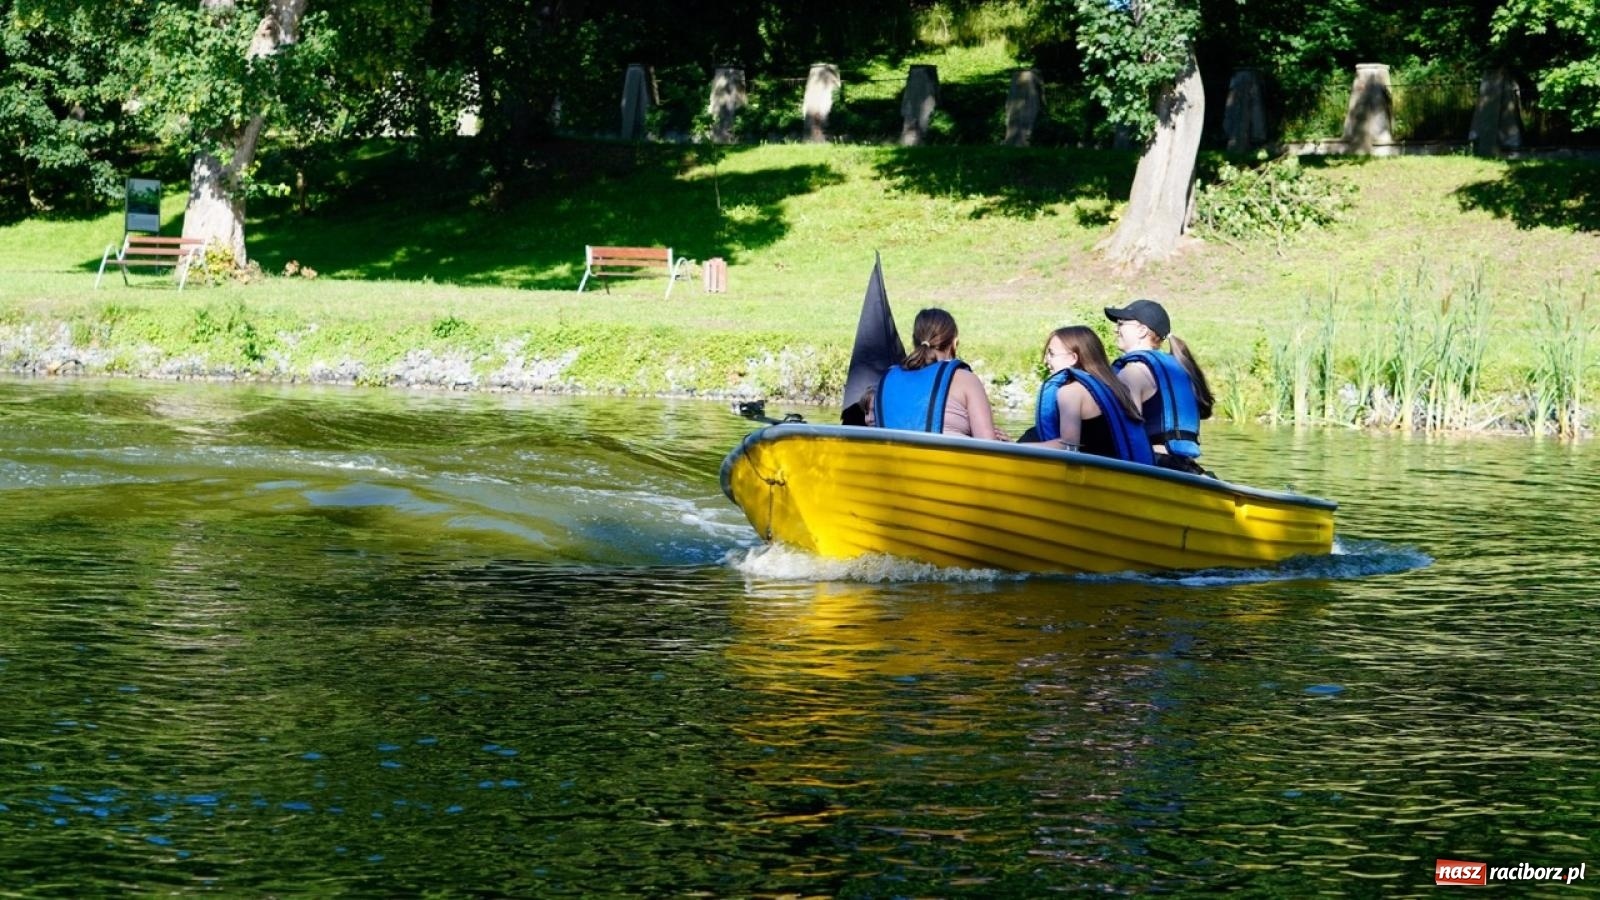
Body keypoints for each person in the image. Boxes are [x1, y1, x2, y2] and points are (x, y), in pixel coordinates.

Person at [1104, 299, 1214, 474]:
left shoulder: (1132, 373)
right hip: (1184, 466)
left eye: (1121, 324)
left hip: (1153, 466)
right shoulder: (1179, 367)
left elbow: (1127, 434)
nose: (1116, 329)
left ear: (1142, 331)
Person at [1025, 326, 1153, 464]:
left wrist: (1016, 448)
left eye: (1051, 353)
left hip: (1095, 476)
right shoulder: (1115, 386)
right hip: (1122, 472)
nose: (1046, 360)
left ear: (1073, 358)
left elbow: (1069, 446)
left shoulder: (1071, 392)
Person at [871, 308, 1003, 440]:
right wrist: (1002, 442)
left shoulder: (887, 378)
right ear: (954, 343)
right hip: (948, 460)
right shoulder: (965, 379)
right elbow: (987, 443)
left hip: (895, 459)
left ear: (914, 341)